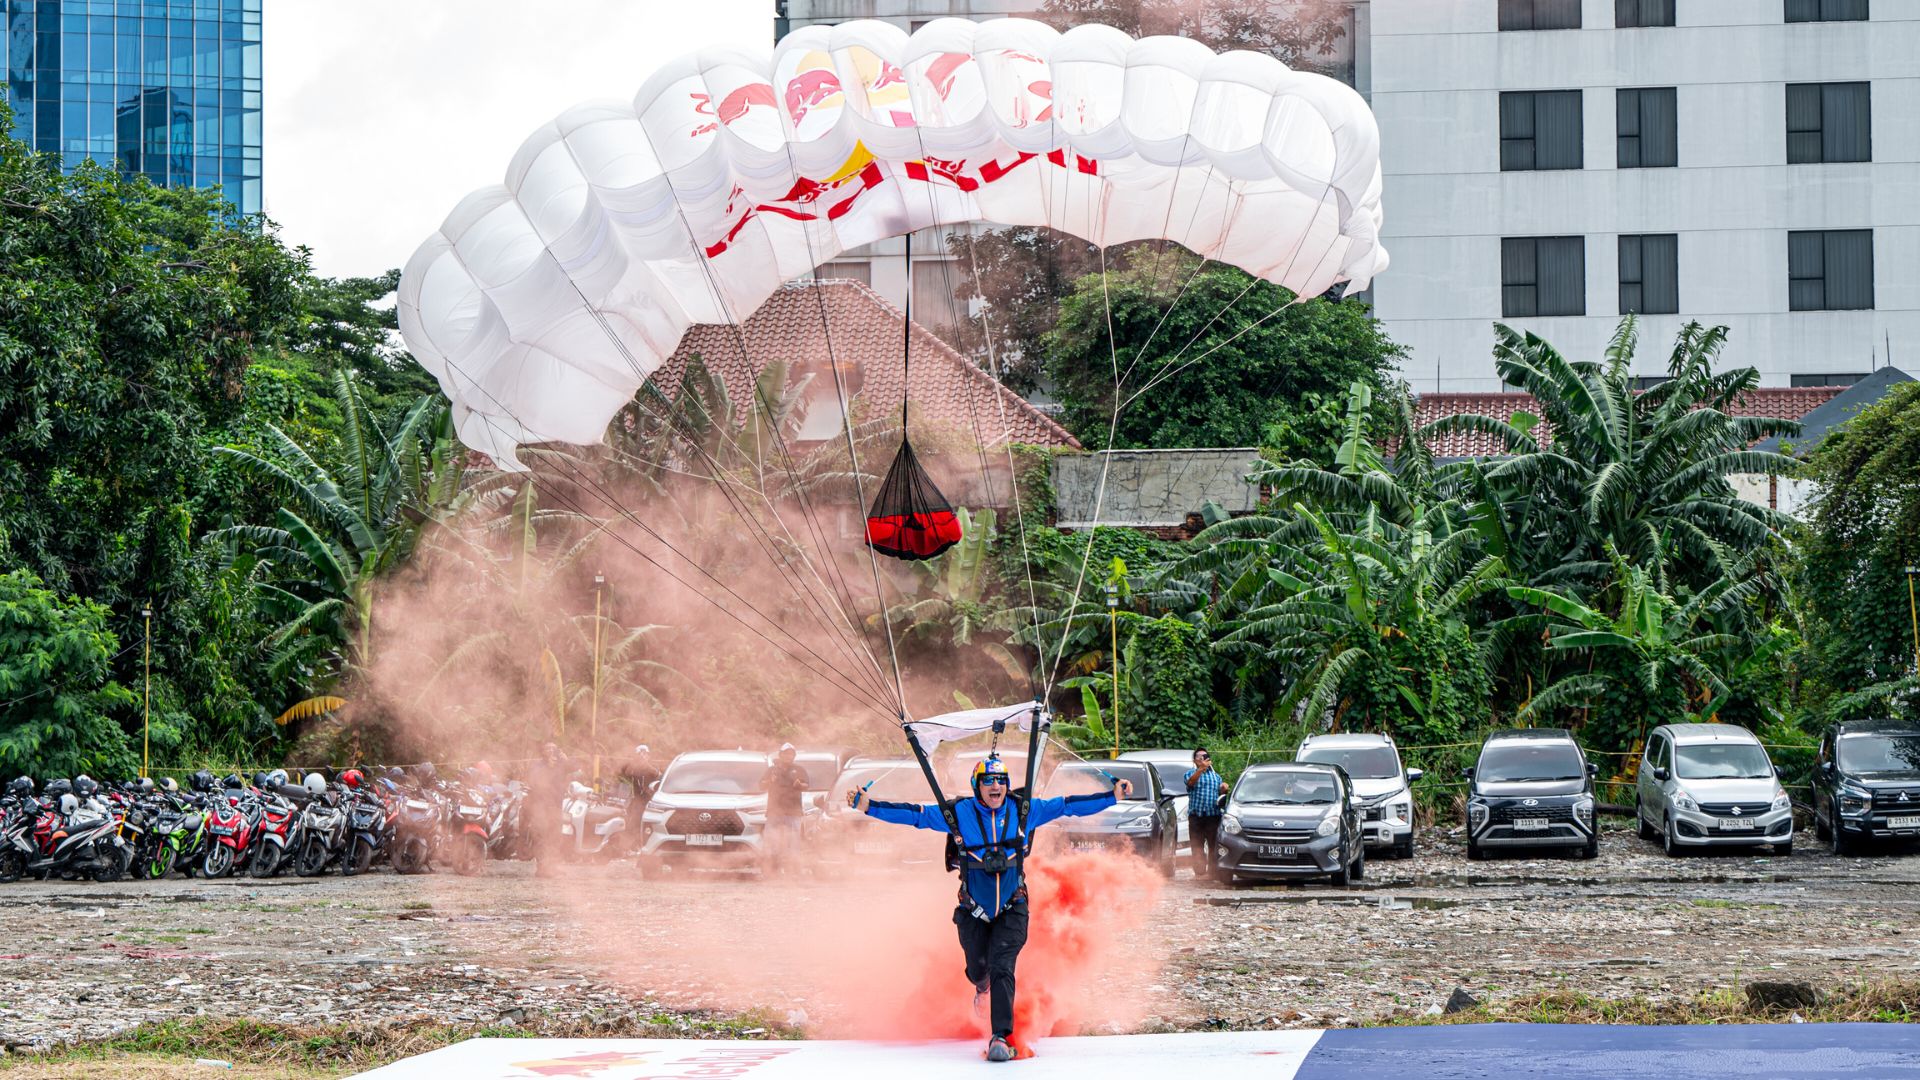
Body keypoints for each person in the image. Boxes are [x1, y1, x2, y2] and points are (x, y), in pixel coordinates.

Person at [851, 755, 1129, 1062]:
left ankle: (1001, 1037)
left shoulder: (1024, 812)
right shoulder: (958, 814)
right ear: (976, 786)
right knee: (978, 969)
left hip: (1013, 907)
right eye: (988, 781)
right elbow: (915, 815)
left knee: (1002, 966)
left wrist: (1111, 796)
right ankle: (981, 989)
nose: (995, 786)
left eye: (1000, 781)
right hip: (972, 911)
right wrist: (870, 806)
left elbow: (1068, 806)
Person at [757, 743, 808, 876]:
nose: (788, 756)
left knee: (793, 843)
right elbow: (761, 785)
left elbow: (806, 785)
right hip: (774, 812)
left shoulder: (799, 770)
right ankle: (771, 871)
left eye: (791, 753)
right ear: (781, 754)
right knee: (771, 842)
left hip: (794, 812)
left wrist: (799, 785)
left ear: (794, 756)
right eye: (786, 753)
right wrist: (770, 781)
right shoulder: (772, 770)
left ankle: (794, 872)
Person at [524, 742, 573, 878]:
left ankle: (553, 866)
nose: (551, 751)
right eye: (548, 749)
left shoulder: (561, 765)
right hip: (540, 807)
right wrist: (548, 768)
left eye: (553, 748)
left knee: (555, 838)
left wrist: (565, 759)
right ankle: (542, 868)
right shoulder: (537, 766)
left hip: (556, 806)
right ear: (543, 752)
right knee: (541, 838)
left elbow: (574, 767)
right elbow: (534, 779)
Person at [1184, 749, 1226, 882]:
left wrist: (1224, 788)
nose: (1204, 759)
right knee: (1197, 845)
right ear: (1195, 760)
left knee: (1214, 845)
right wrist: (1201, 769)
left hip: (1213, 816)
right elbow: (1190, 783)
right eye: (1201, 757)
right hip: (1196, 816)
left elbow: (1221, 793)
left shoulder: (1216, 776)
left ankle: (1213, 873)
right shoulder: (1190, 774)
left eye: (1205, 756)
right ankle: (1200, 873)